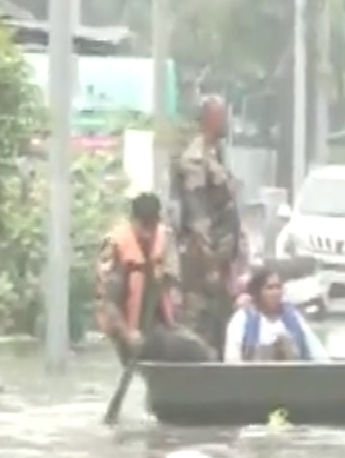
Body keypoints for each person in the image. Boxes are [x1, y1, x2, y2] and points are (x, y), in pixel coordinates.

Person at [95, 192, 212, 363]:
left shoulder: (163, 239)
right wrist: (128, 335)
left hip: (157, 326)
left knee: (203, 349)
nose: (148, 234)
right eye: (144, 226)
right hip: (128, 333)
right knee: (191, 352)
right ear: (133, 220)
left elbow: (172, 285)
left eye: (153, 226)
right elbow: (109, 303)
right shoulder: (116, 246)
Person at [176, 96, 243, 353]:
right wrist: (210, 263)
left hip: (222, 261)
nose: (227, 121)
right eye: (222, 115)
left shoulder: (216, 153)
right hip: (204, 264)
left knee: (222, 323)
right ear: (209, 119)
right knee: (199, 324)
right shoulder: (195, 158)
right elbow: (197, 215)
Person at [224, 267, 330, 363]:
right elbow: (232, 358)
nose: (276, 292)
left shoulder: (293, 317)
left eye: (278, 287)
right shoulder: (243, 318)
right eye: (270, 288)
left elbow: (315, 350)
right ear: (257, 292)